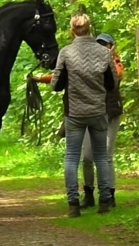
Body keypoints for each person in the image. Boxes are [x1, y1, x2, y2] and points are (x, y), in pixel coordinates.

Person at [45, 13, 116, 217]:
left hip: (75, 113)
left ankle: (73, 205)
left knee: (71, 158)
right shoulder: (104, 53)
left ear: (72, 31)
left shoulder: (66, 53)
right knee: (101, 156)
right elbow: (112, 83)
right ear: (89, 28)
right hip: (98, 111)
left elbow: (56, 84)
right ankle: (104, 201)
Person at [80, 33, 123, 208]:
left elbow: (117, 75)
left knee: (106, 155)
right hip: (90, 113)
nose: (101, 47)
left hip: (111, 113)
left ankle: (109, 195)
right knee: (86, 157)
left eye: (105, 44)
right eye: (98, 44)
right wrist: (40, 78)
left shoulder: (116, 63)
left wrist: (109, 58)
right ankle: (88, 194)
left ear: (111, 46)